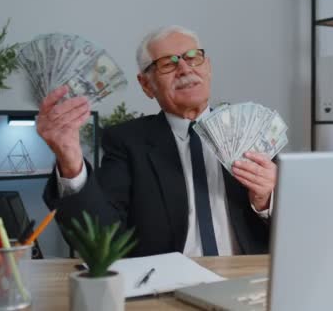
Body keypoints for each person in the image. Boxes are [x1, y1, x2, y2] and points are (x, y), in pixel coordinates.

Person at [38, 25, 276, 257]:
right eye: (167, 64)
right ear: (146, 85)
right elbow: (101, 240)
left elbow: (300, 231)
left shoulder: (251, 132)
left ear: (208, 68)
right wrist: (70, 162)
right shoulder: (126, 143)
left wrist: (266, 201)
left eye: (193, 58)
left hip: (246, 280)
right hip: (168, 286)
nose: (184, 68)